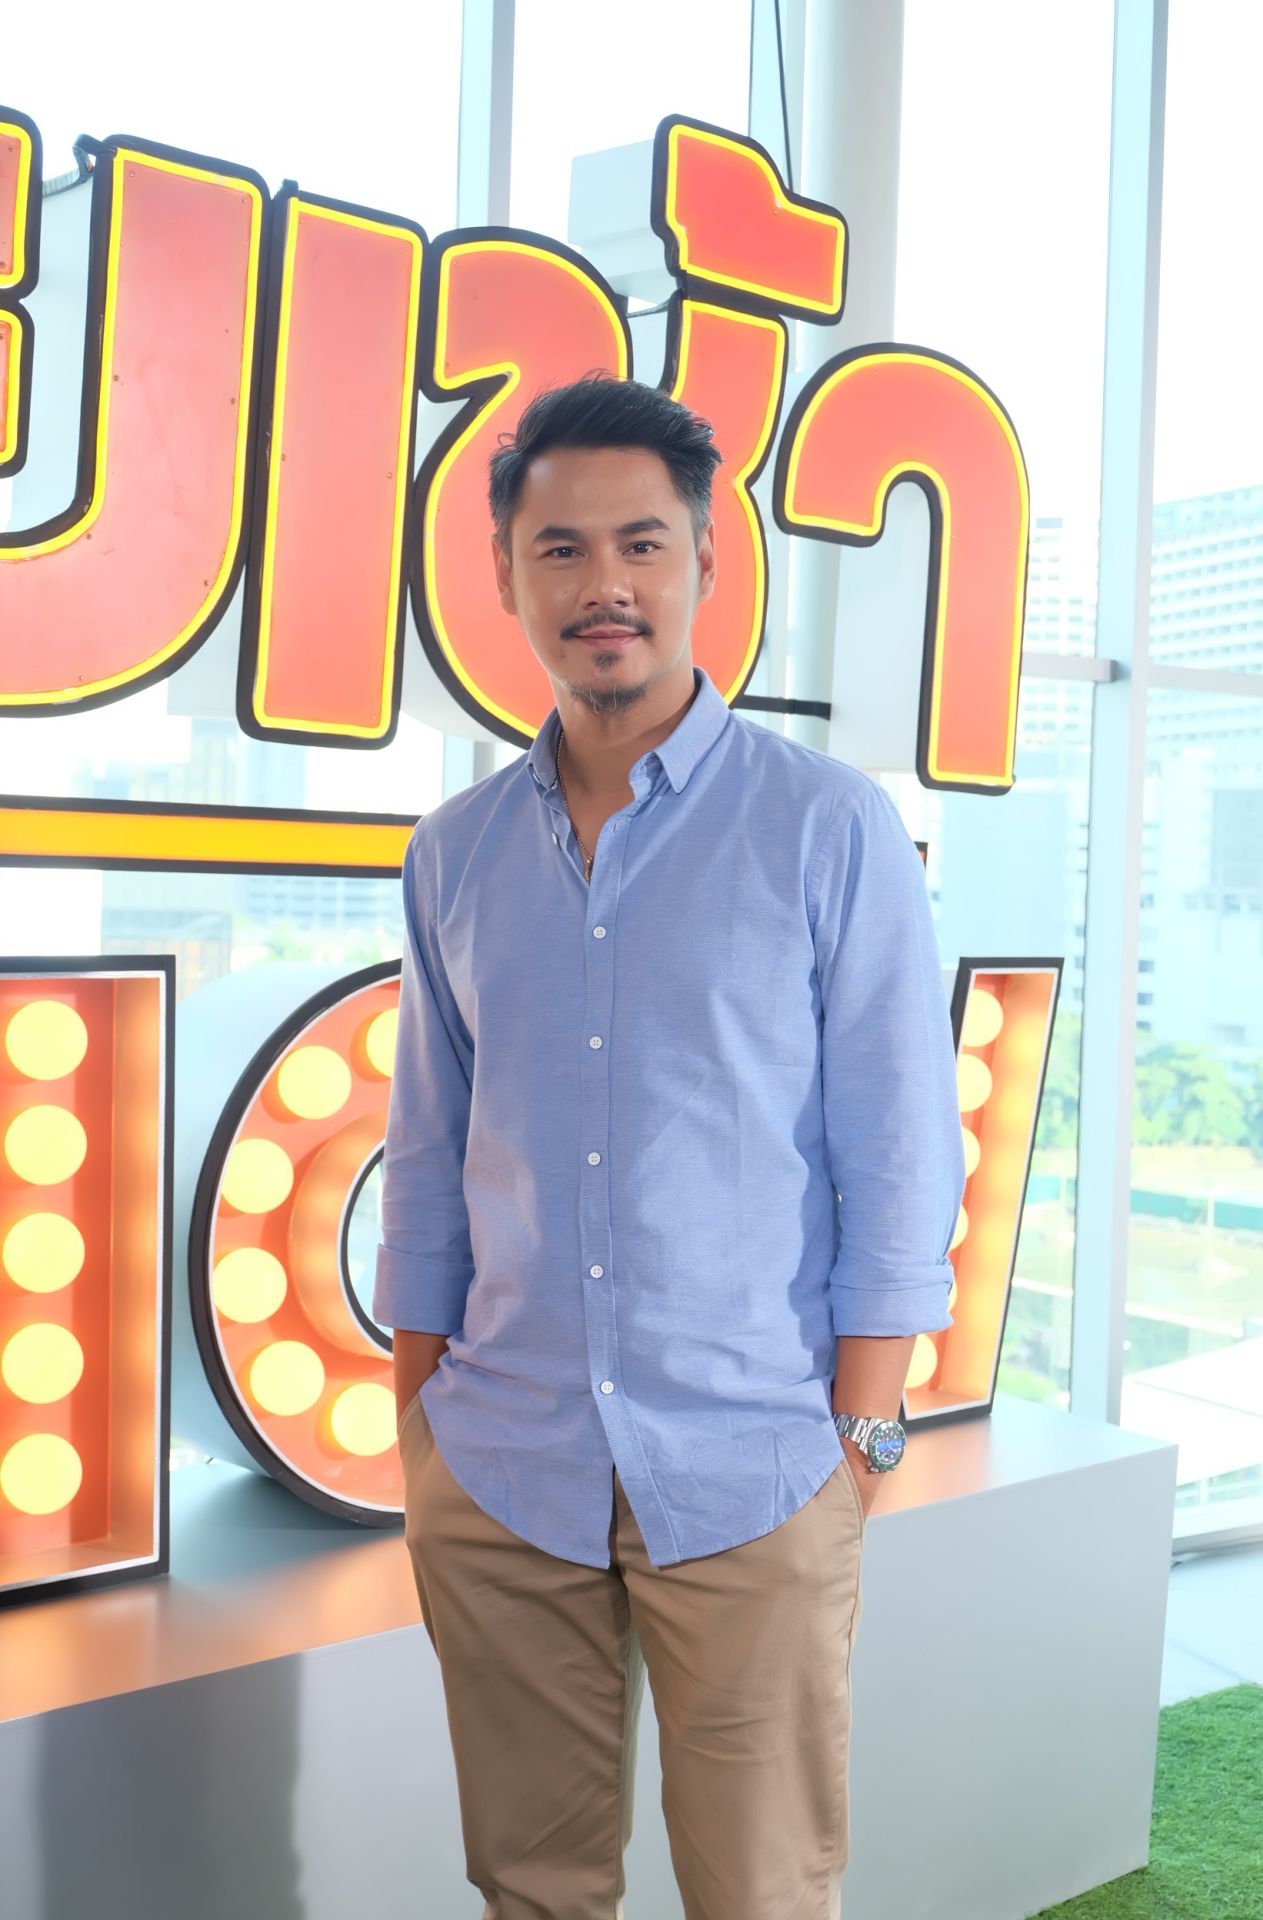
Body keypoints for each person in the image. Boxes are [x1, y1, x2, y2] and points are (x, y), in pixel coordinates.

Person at [373, 373, 967, 1919]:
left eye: (641, 542)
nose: (605, 584)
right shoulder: (454, 852)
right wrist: (419, 1420)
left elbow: (902, 1152)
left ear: (706, 559)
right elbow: (430, 1152)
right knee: (531, 1887)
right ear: (507, 575)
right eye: (560, 549)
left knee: (760, 1890)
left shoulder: (827, 826)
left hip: (759, 1462)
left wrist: (861, 1442)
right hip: (503, 1463)